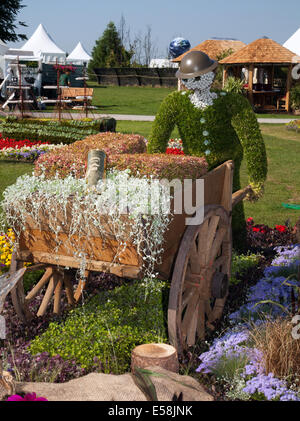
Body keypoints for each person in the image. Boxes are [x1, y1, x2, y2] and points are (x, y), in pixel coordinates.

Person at [148, 50, 268, 250]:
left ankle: (237, 248)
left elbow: (252, 140)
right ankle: (200, 248)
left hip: (227, 168)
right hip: (195, 169)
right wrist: (154, 174)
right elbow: (157, 141)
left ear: (211, 75)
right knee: (194, 210)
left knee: (230, 207)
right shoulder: (175, 103)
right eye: (191, 79)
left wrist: (257, 179)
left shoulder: (232, 102)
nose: (195, 82)